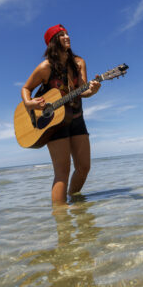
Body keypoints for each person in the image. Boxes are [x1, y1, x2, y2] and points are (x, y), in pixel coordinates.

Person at [21, 24, 101, 204]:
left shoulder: (79, 62)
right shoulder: (45, 67)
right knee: (62, 172)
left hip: (77, 118)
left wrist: (93, 91)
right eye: (62, 35)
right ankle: (61, 219)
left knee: (84, 167)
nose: (67, 37)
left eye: (67, 33)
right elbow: (26, 88)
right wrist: (29, 103)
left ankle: (75, 204)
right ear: (52, 42)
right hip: (54, 123)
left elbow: (82, 90)